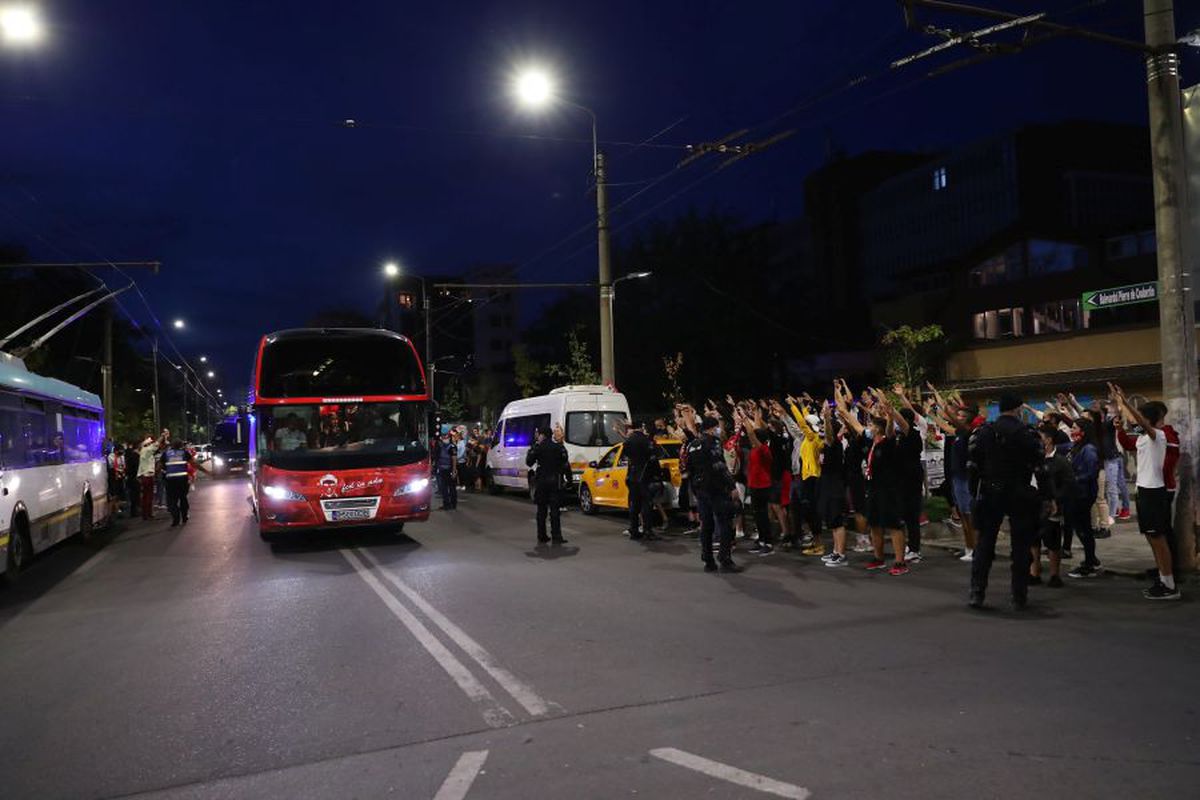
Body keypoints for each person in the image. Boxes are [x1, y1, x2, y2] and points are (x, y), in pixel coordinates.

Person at [967, 393, 1043, 610]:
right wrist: (1046, 495)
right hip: (1020, 491)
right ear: (1018, 409)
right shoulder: (1026, 433)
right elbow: (1039, 464)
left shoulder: (984, 432)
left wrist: (975, 492)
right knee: (1021, 546)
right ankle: (1019, 595)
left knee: (985, 544)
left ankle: (977, 592)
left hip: (991, 491)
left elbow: (972, 465)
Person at [1110, 384, 1180, 600]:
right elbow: (1131, 432)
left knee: (1159, 538)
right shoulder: (1144, 436)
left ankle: (1170, 585)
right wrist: (1120, 413)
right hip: (1144, 490)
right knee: (1152, 538)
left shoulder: (1158, 435)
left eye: (1140, 416)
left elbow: (1139, 422)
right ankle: (1162, 578)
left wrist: (1125, 402)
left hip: (1155, 492)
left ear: (1147, 419)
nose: (1135, 420)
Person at [684, 415, 742, 573]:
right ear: (712, 428)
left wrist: (695, 489)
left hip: (700, 489)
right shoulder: (713, 442)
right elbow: (719, 465)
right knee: (725, 523)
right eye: (717, 427)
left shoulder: (693, 444)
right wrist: (731, 486)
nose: (719, 430)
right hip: (716, 489)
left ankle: (708, 559)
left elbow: (689, 468)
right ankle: (725, 558)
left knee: (706, 525)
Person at [1030, 422, 1073, 588]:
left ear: (1048, 440)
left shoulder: (1060, 462)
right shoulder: (1033, 459)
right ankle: (1034, 572)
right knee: (1033, 539)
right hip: (1033, 503)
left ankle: (1055, 575)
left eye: (1039, 437)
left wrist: (1056, 500)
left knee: (1052, 541)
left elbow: (1068, 484)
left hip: (1051, 506)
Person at [1065, 418, 1103, 579]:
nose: (1072, 431)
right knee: (1081, 527)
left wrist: (1074, 479)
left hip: (1083, 494)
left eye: (1074, 428)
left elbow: (1091, 473)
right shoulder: (1077, 446)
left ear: (1083, 431)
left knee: (1083, 528)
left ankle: (1089, 563)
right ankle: (1091, 559)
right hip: (1077, 492)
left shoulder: (1088, 449)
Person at [526, 426, 570, 545]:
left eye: (539, 434)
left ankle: (542, 535)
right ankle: (557, 536)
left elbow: (529, 462)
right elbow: (565, 461)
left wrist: (534, 447)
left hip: (542, 482)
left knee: (541, 510)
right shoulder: (557, 447)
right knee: (555, 510)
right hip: (554, 481)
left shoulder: (538, 447)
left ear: (542, 435)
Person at [621, 421, 658, 541]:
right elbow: (653, 458)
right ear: (641, 427)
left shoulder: (628, 441)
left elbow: (625, 455)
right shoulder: (646, 440)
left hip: (632, 476)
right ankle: (648, 531)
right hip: (645, 476)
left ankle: (634, 530)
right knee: (646, 504)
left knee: (634, 505)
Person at [161, 439, 208, 527]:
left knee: (172, 500)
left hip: (170, 480)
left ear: (172, 445)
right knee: (183, 498)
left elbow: (160, 466)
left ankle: (175, 518)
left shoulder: (165, 454)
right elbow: (194, 464)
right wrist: (206, 471)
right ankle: (184, 516)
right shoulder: (184, 453)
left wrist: (158, 473)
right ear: (181, 446)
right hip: (182, 480)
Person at [137, 435, 160, 520]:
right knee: (148, 496)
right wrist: (161, 436)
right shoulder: (146, 451)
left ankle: (147, 513)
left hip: (147, 475)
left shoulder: (145, 452)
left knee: (148, 496)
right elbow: (155, 446)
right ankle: (147, 514)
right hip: (147, 476)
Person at [435, 433, 458, 510]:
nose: (445, 439)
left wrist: (454, 471)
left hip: (450, 469)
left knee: (452, 487)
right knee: (444, 488)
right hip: (443, 470)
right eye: (444, 437)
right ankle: (446, 504)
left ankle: (453, 504)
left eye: (446, 437)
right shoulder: (441, 446)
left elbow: (454, 459)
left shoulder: (452, 447)